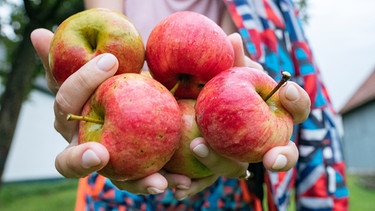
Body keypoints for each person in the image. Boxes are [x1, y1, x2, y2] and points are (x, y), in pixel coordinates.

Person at [30, 0, 348, 210]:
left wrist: (252, 142)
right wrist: (81, 103)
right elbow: (98, 78)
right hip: (119, 182)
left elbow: (274, 94)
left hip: (225, 189)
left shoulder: (268, 9)